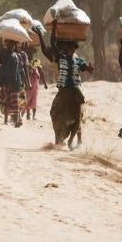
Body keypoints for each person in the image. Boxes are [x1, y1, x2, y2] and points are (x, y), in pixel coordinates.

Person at [36, 21, 94, 149]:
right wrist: (53, 29)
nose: (68, 50)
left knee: (78, 115)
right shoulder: (59, 57)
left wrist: (90, 68)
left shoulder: (78, 59)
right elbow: (49, 45)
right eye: (66, 48)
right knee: (55, 112)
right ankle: (60, 138)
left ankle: (74, 139)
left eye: (71, 48)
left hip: (75, 91)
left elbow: (87, 69)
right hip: (63, 91)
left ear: (74, 49)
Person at [0, 34, 30, 127]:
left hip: (15, 84)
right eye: (8, 44)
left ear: (14, 45)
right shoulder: (4, 54)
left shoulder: (18, 56)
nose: (10, 45)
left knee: (15, 103)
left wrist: (27, 83)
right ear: (6, 44)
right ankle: (10, 117)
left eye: (12, 44)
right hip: (6, 83)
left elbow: (22, 70)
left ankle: (17, 121)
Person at [23, 43, 48, 120]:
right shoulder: (25, 62)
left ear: (33, 53)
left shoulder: (36, 61)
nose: (30, 53)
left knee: (34, 99)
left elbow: (41, 72)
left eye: (31, 51)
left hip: (35, 83)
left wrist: (45, 83)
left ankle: (34, 115)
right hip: (27, 83)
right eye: (28, 51)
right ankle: (27, 114)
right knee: (27, 98)